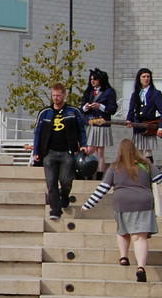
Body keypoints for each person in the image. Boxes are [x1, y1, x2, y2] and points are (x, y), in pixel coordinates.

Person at [82, 139, 162, 283]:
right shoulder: (146, 164)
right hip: (144, 202)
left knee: (123, 231)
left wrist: (88, 204)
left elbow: (103, 188)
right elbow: (159, 178)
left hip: (123, 203)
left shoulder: (115, 167)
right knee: (140, 237)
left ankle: (124, 257)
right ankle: (141, 267)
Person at [32, 83, 86, 221]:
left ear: (64, 95)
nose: (56, 98)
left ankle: (64, 195)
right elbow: (37, 133)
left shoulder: (73, 111)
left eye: (58, 95)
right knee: (51, 182)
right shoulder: (45, 112)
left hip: (67, 152)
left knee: (66, 180)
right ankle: (55, 210)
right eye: (54, 95)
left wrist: (83, 145)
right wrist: (36, 151)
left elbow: (81, 130)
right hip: (49, 152)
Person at [80, 69, 117, 177]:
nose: (93, 81)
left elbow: (113, 109)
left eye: (95, 79)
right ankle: (87, 171)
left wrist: (100, 106)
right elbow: (82, 108)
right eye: (91, 79)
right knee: (89, 149)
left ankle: (99, 174)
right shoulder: (89, 91)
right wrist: (86, 107)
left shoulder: (109, 92)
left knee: (100, 151)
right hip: (90, 123)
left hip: (102, 124)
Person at [125, 67, 162, 158]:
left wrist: (161, 127)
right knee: (138, 153)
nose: (146, 79)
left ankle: (149, 168)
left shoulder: (155, 93)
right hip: (138, 126)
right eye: (144, 76)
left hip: (149, 126)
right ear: (139, 78)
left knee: (148, 153)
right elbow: (131, 110)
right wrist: (129, 120)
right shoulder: (135, 94)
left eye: (148, 76)